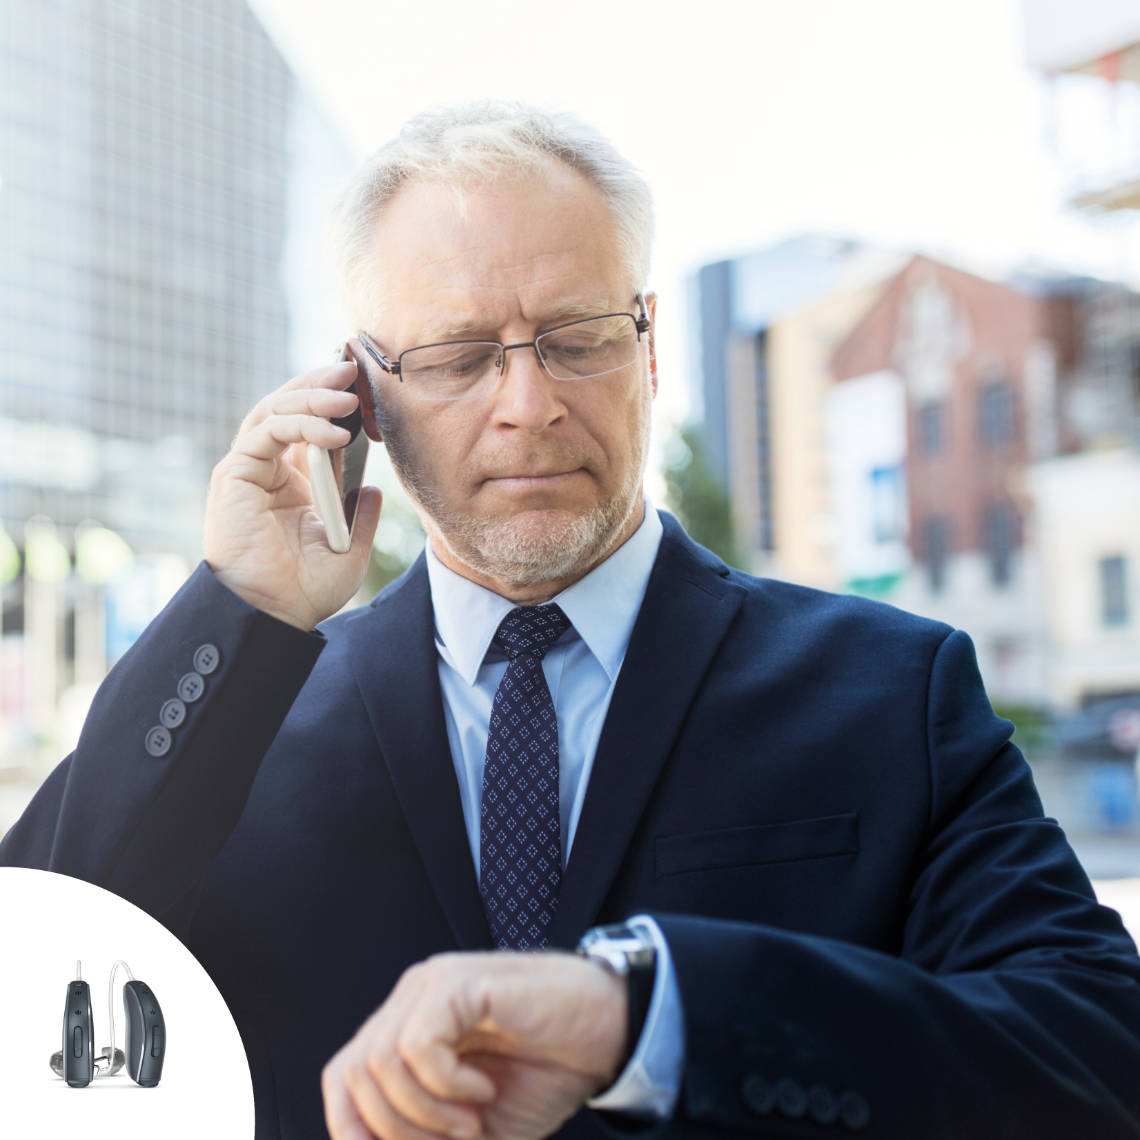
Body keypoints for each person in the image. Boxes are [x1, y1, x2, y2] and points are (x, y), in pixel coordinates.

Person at [3, 101, 1140, 1140]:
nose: (529, 404)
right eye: (455, 357)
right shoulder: (237, 722)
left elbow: (1097, 1054)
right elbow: (31, 1005)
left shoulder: (893, 690)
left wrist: (640, 1015)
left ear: (648, 346)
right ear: (364, 401)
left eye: (578, 337)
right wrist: (239, 609)